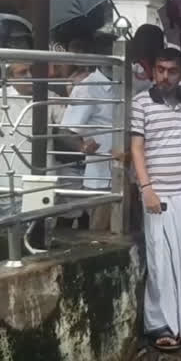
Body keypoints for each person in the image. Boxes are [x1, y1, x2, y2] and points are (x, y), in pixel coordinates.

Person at [130, 48, 181, 352]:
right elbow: (136, 148)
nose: (165, 76)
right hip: (158, 191)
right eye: (160, 69)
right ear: (153, 71)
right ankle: (159, 322)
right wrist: (146, 187)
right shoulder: (141, 102)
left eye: (172, 71)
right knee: (160, 257)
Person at [0, 63, 65, 215]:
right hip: (11, 183)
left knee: (44, 229)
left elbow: (68, 127)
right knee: (12, 230)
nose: (30, 76)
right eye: (23, 72)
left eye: (33, 70)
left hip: (44, 181)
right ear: (10, 78)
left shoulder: (51, 97)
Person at [60, 51, 120, 231]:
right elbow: (65, 130)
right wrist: (83, 146)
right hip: (101, 178)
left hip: (126, 174)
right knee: (101, 236)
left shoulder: (125, 82)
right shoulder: (88, 88)